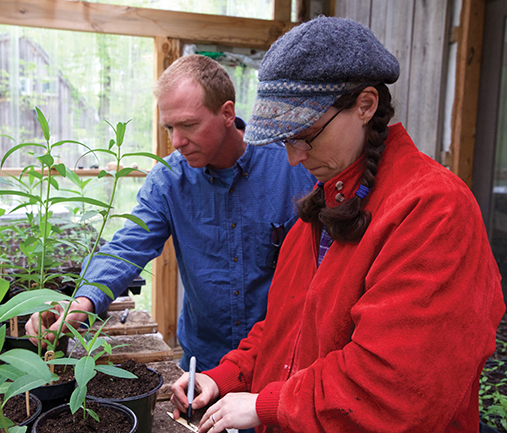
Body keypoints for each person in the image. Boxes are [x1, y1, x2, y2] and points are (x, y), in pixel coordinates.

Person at [169, 16, 506, 433]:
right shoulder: (321, 210)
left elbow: (394, 386)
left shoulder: (433, 211)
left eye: (305, 134)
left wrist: (268, 403)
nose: (294, 158)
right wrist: (223, 377)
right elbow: (283, 331)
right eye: (284, 140)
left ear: (365, 105)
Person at [25, 54, 316, 372]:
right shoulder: (168, 179)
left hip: (281, 358)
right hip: (205, 358)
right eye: (169, 127)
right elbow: (128, 246)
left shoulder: (292, 168)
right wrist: (83, 301)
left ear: (227, 113)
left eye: (189, 125)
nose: (177, 141)